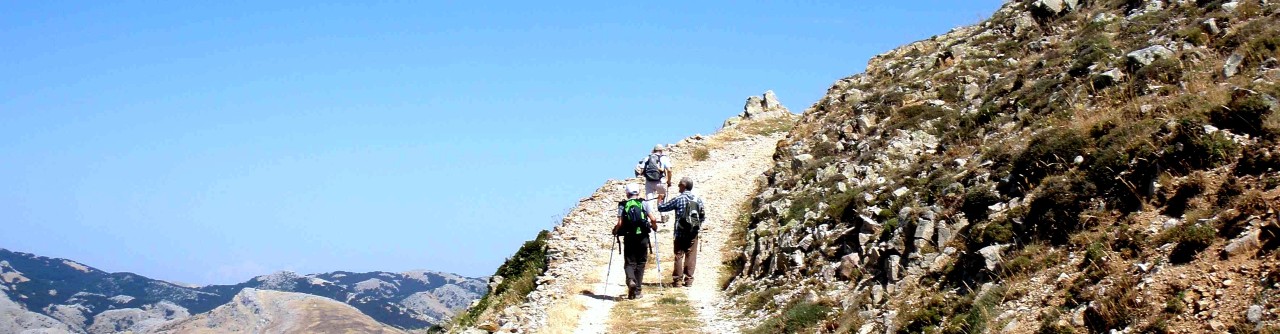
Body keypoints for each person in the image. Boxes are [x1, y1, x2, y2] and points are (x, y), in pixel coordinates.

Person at [656, 177, 705, 287]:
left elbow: (662, 208)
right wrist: (696, 226)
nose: (678, 186)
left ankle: (677, 281)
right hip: (693, 233)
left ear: (683, 185)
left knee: (679, 255)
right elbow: (702, 216)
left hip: (680, 233)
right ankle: (689, 280)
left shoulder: (678, 199)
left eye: (679, 184)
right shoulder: (698, 199)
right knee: (691, 255)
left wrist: (660, 198)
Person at [613, 183, 658, 299]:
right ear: (638, 192)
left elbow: (619, 223)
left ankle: (631, 281)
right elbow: (653, 218)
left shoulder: (623, 205)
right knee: (641, 263)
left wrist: (615, 230)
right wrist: (654, 227)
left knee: (629, 262)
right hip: (643, 237)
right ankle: (637, 290)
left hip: (629, 236)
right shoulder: (643, 203)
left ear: (627, 193)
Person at [635, 144, 673, 222]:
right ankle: (663, 216)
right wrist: (669, 181)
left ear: (654, 150)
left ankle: (650, 218)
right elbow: (669, 170)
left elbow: (641, 171)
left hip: (649, 182)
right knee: (661, 198)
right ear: (661, 150)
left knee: (649, 200)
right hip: (660, 181)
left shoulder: (647, 158)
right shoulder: (663, 158)